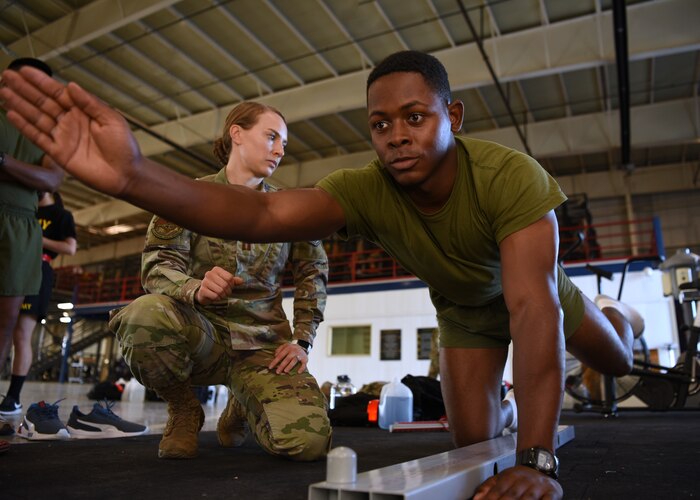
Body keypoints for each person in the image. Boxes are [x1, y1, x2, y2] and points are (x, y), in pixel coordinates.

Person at [0, 51, 641, 498]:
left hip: (539, 295)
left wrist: (539, 461)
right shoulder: (365, 189)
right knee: (472, 448)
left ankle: (615, 323)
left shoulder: (510, 177)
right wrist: (136, 177)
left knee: (612, 361)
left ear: (455, 116)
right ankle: (501, 404)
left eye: (416, 117)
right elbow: (264, 211)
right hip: (466, 313)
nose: (396, 135)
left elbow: (532, 312)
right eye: (381, 123)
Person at [107, 101, 330, 461]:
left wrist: (302, 340)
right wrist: (192, 286)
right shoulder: (187, 197)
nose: (279, 150)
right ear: (237, 134)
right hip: (201, 335)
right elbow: (157, 265)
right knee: (144, 315)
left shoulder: (291, 208)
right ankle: (184, 409)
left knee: (308, 443)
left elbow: (312, 273)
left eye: (284, 144)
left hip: (262, 347)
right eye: (271, 136)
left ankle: (241, 404)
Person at [0, 57, 64, 443]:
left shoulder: (48, 132)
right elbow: (39, 176)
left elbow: (52, 178)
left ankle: (7, 402)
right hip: (19, 213)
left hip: (21, 226)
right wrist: (26, 169)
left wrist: (3, 161)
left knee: (6, 325)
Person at [0, 191, 76, 416]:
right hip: (11, 265)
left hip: (38, 268)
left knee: (21, 335)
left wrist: (36, 238)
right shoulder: (24, 208)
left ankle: (13, 397)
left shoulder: (61, 215)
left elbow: (70, 248)